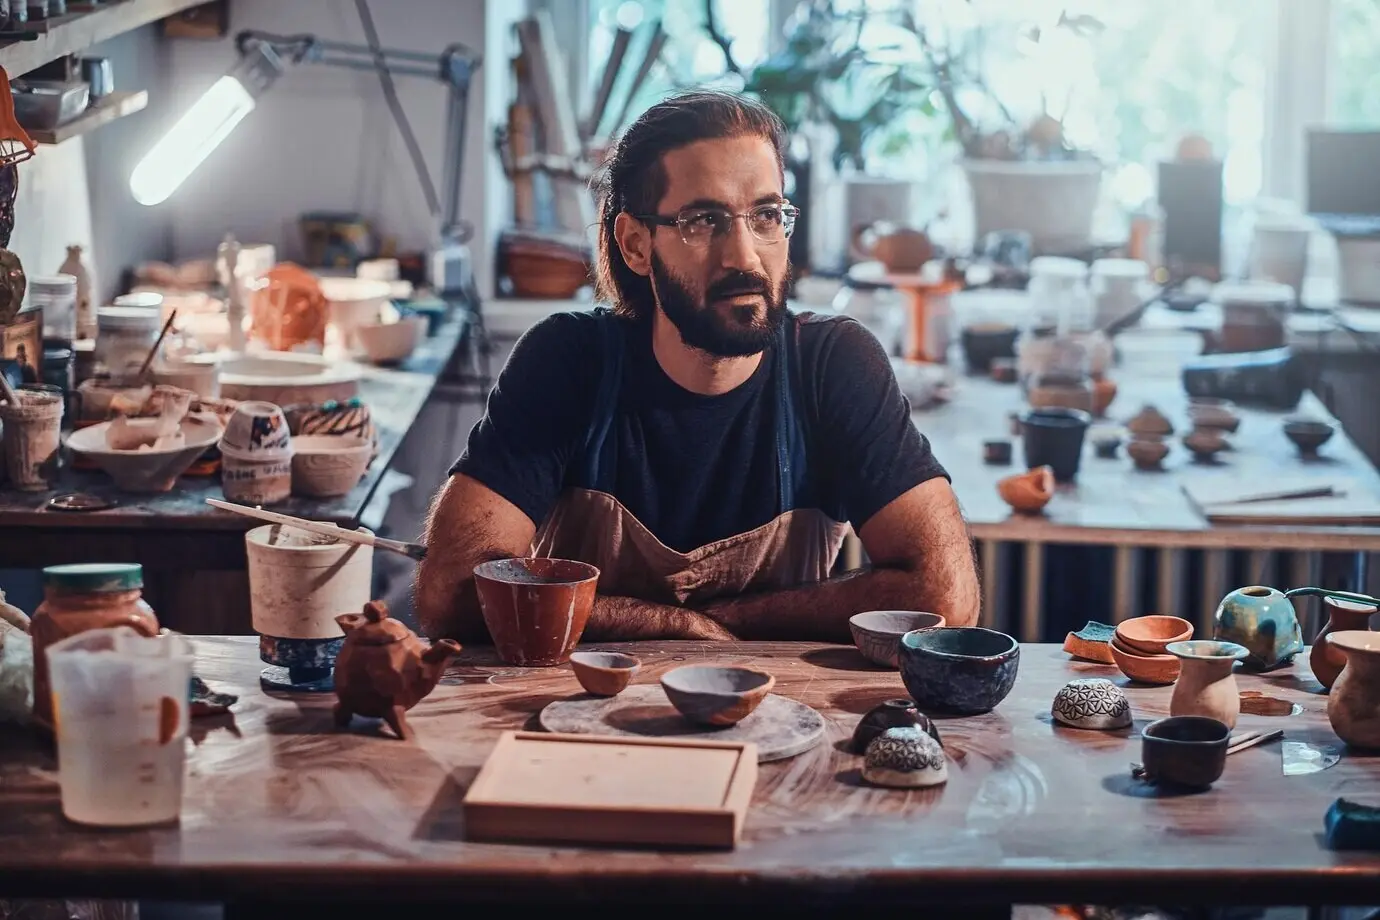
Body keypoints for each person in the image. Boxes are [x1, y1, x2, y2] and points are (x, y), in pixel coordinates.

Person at [415, 89, 979, 644]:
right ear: (636, 245)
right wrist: (677, 625)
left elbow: (944, 598)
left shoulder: (830, 367)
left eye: (765, 215)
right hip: (578, 715)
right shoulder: (569, 364)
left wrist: (724, 625)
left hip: (783, 717)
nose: (744, 256)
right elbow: (453, 591)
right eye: (703, 220)